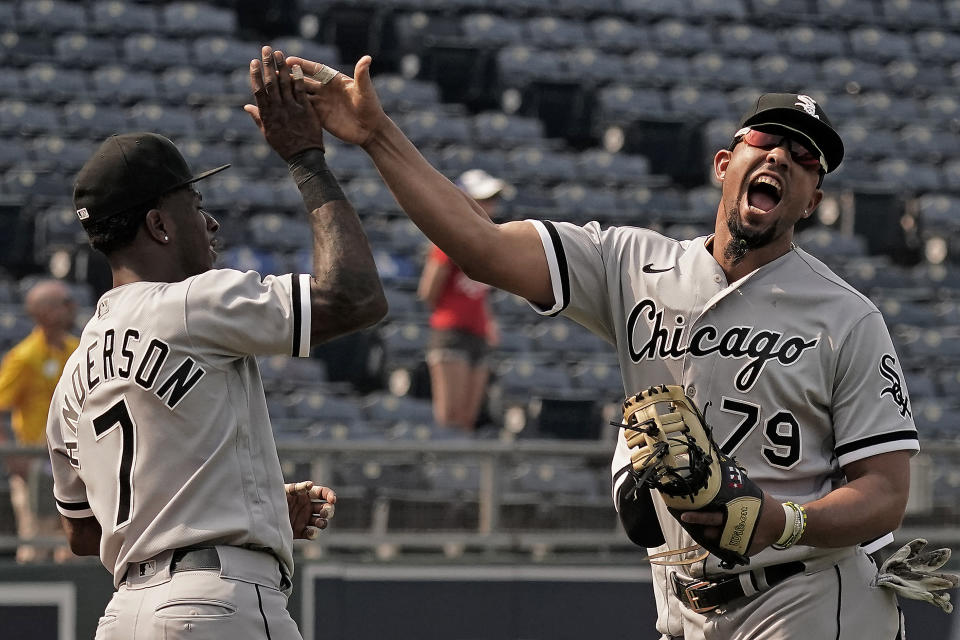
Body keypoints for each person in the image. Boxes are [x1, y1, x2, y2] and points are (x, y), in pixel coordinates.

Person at [287, 53, 919, 640]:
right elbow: (481, 247)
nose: (782, 155)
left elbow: (886, 493)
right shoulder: (631, 264)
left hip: (806, 598)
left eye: (806, 157)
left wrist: (784, 520)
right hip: (684, 607)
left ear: (814, 200)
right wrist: (376, 135)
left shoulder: (848, 318)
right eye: (766, 139)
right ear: (725, 165)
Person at [45, 45, 387, 640]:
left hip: (123, 617)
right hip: (213, 606)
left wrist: (242, 504)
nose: (211, 223)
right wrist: (306, 159)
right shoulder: (190, 302)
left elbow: (82, 533)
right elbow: (355, 296)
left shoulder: (73, 376)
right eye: (195, 205)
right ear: (158, 224)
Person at [417, 169, 505, 432]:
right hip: (451, 332)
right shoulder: (449, 237)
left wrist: (488, 323)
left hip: (477, 334)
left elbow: (481, 294)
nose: (490, 206)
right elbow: (428, 290)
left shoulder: (490, 240)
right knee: (450, 416)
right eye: (483, 199)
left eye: (491, 200)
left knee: (468, 419)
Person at [0, 279, 78, 562]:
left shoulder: (77, 349)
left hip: (73, 464)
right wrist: (15, 459)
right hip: (37, 465)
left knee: (76, 548)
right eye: (65, 303)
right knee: (35, 547)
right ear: (45, 313)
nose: (73, 308)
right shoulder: (23, 357)